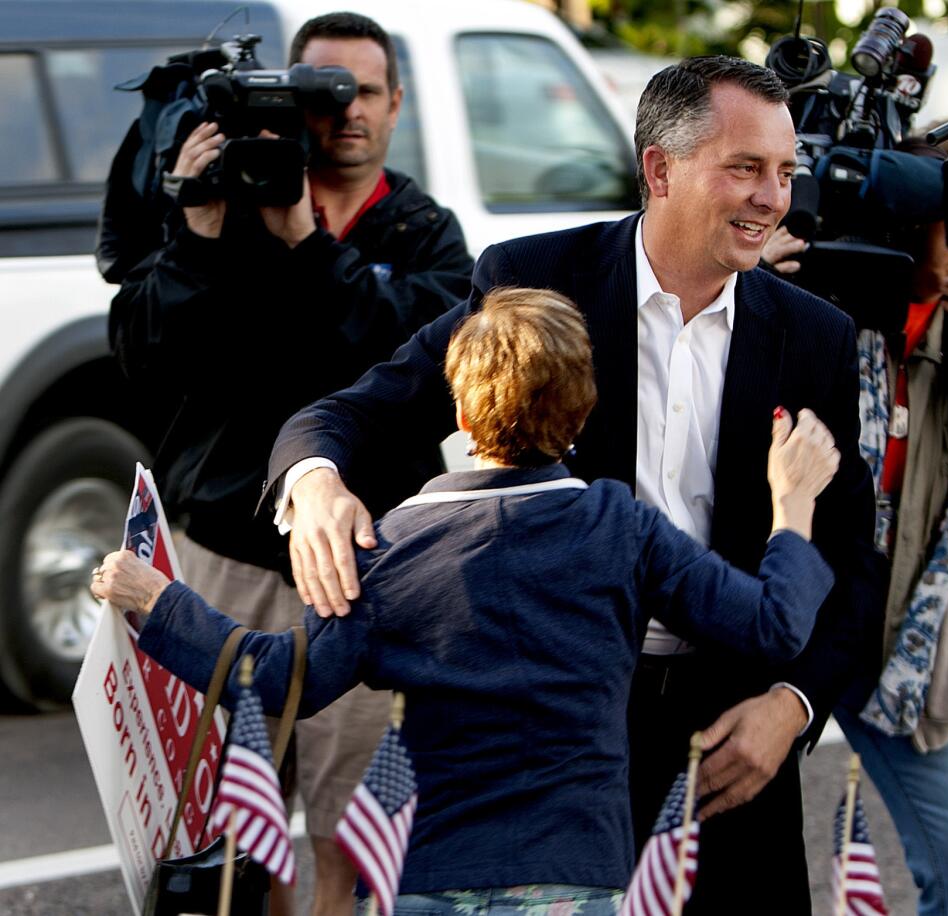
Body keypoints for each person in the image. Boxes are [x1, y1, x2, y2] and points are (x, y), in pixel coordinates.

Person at [266, 57, 883, 913]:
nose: (773, 199)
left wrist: (793, 703)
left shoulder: (817, 337)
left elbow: (853, 557)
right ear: (659, 169)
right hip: (559, 742)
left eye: (784, 173)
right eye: (745, 168)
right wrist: (317, 484)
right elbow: (356, 416)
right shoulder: (532, 284)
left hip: (734, 741)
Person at [94, 285, 842, 913]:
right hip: (574, 874)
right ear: (581, 415)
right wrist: (793, 504)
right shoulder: (622, 527)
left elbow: (284, 680)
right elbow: (772, 627)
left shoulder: (390, 549)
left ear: (459, 411)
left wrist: (160, 602)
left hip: (424, 875)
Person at [107, 13, 473, 915]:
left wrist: (309, 244)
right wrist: (196, 227)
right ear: (287, 100)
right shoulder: (218, 209)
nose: (343, 114)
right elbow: (142, 356)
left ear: (396, 104)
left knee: (351, 842)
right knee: (239, 844)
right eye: (322, 93)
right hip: (227, 560)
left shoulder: (426, 234)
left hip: (368, 573)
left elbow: (406, 365)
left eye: (364, 93)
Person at [765, 126, 948, 915]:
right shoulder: (820, 303)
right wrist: (752, 294)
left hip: (904, 647)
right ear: (908, 219)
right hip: (785, 622)